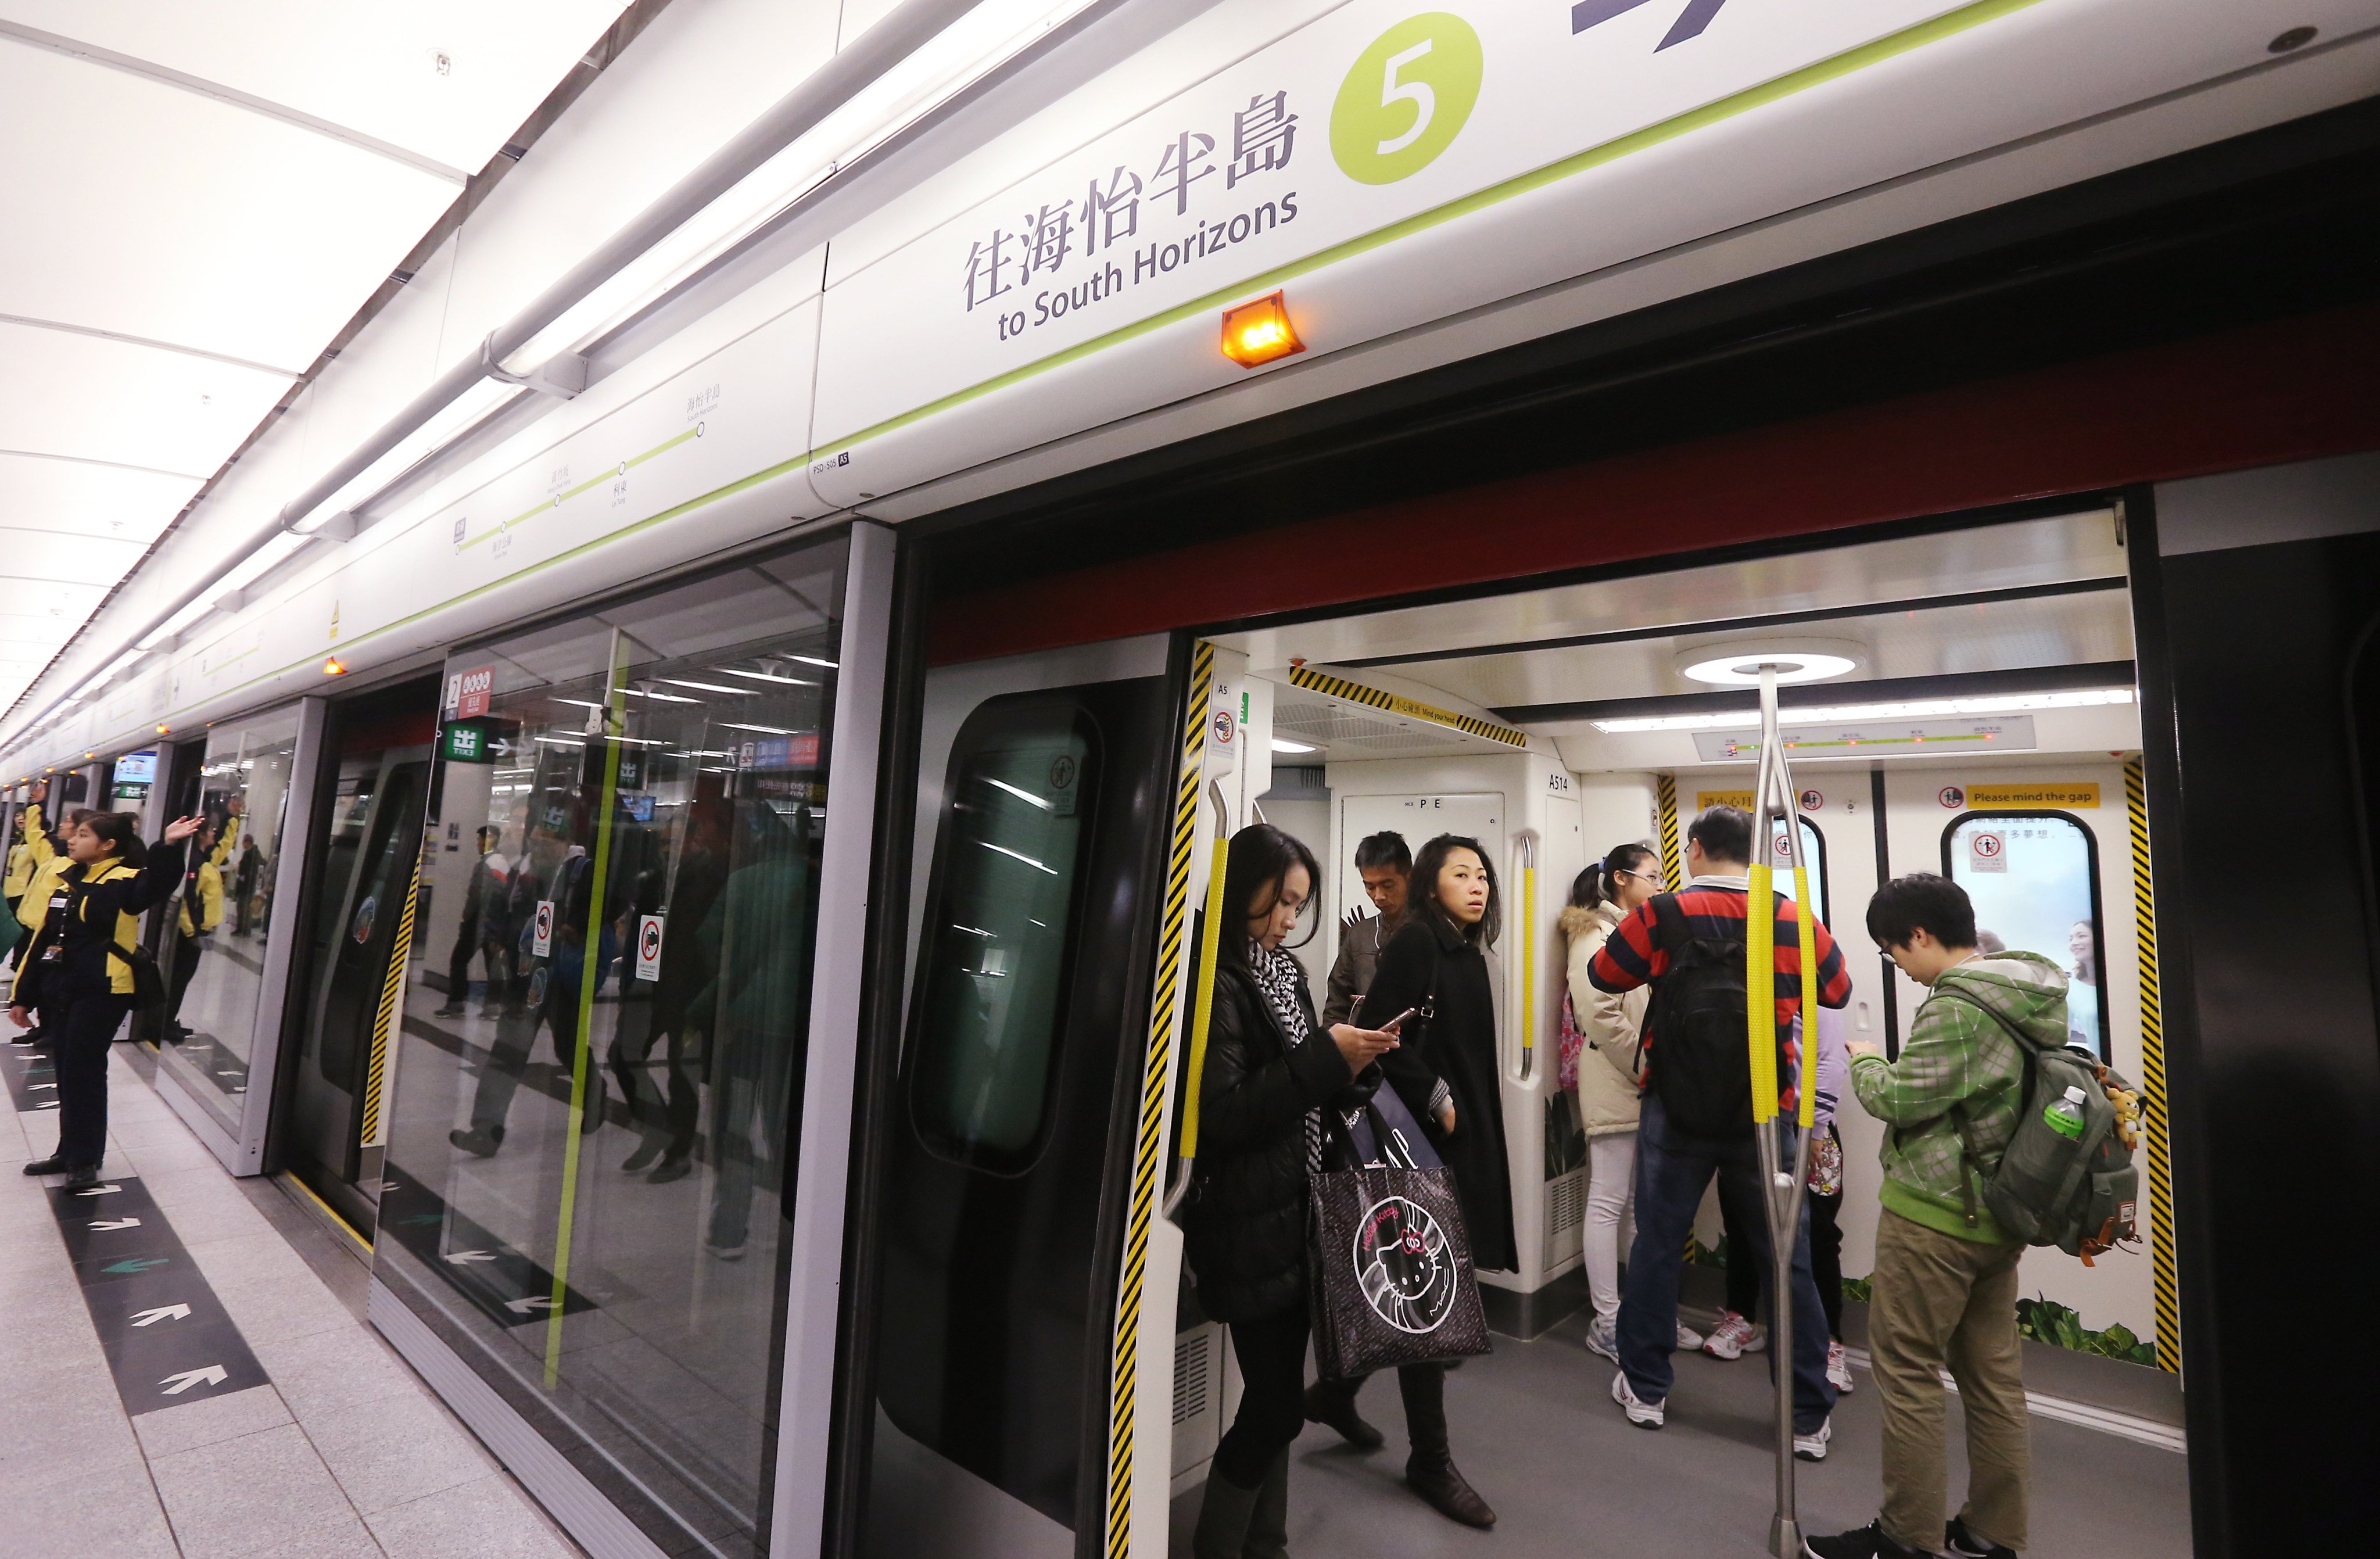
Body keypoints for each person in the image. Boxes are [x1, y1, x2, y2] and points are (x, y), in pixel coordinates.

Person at [1588, 805, 1847, 1457]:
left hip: (1674, 1105)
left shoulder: (1662, 913)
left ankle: (1645, 1389)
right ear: (1754, 853)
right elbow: (1837, 990)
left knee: (1656, 1242)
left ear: (1696, 849)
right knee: (1786, 1259)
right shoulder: (1789, 915)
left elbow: (1603, 975)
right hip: (1767, 1109)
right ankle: (1806, 1417)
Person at [1805, 874, 2048, 1559]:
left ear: (1920, 935)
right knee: (1993, 1377)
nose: (1900, 969)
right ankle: (1992, 1530)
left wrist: (1867, 1059)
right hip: (1999, 1211)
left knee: (1908, 1368)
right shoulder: (2024, 989)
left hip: (1938, 1214)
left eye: (1894, 952)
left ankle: (1905, 1539)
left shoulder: (1957, 1008)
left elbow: (1900, 1099)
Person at [1184, 823, 1401, 1559]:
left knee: (1272, 1401)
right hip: (1248, 1217)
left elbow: (1302, 1091)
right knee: (1276, 1407)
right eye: (1279, 901)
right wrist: (1322, 1060)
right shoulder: (1216, 980)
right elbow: (1223, 1115)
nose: (1286, 921)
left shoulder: (1282, 973)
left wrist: (1353, 1063)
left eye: (1298, 907)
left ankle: (1265, 1545)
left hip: (1297, 1211)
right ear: (1243, 886)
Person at [1308, 833, 1506, 1528]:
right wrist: (1438, 1097)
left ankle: (1336, 1390)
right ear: (1431, 882)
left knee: (1419, 1284)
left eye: (1482, 874)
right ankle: (1431, 1458)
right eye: (1461, 873)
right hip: (1415, 1139)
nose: (1477, 884)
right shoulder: (1420, 941)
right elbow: (1376, 1034)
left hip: (1450, 1135)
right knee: (1427, 1295)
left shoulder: (1465, 951)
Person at [1560, 841, 1704, 1361]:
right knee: (1608, 1200)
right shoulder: (1593, 934)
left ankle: (1651, 1311)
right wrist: (1646, 1066)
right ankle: (1608, 1318)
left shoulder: (1642, 930)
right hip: (1619, 1078)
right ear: (1621, 879)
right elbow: (1597, 1011)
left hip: (1646, 1081)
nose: (1660, 887)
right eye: (1652, 878)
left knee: (1645, 1209)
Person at [9, 811, 200, 1187]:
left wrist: (168, 845)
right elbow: (44, 940)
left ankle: (85, 1157)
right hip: (66, 987)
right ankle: (69, 1150)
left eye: (82, 835)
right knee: (66, 1069)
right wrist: (23, 995)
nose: (73, 840)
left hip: (105, 989)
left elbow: (159, 882)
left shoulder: (125, 882)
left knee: (84, 1069)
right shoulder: (68, 882)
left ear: (108, 845)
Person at [1321, 830, 1410, 1026]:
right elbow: (1337, 1003)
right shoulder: (1359, 935)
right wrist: (1335, 1048)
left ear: (1409, 877)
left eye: (1388, 885)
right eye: (1370, 887)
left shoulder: (1432, 930)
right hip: (1366, 1050)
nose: (1379, 896)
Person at [163, 820, 230, 1042]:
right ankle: (166, 1023)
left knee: (183, 979)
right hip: (190, 934)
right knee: (179, 979)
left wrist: (232, 820)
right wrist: (192, 933)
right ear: (200, 835)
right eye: (211, 831)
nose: (214, 834)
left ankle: (170, 1019)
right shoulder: (193, 864)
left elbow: (225, 847)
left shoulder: (204, 860)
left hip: (199, 931)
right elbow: (187, 901)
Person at [435, 826, 507, 1017]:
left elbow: (476, 895)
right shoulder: (502, 863)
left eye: (479, 840)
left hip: (479, 922)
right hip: (496, 923)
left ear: (488, 840)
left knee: (458, 960)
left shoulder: (485, 864)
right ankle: (493, 1007)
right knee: (493, 965)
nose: (478, 844)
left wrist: (466, 917)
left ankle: (456, 1003)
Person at [2064, 920, 2100, 1055]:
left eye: (2081, 936)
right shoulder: (2071, 988)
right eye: (2071, 938)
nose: (2073, 943)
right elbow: (2061, 1035)